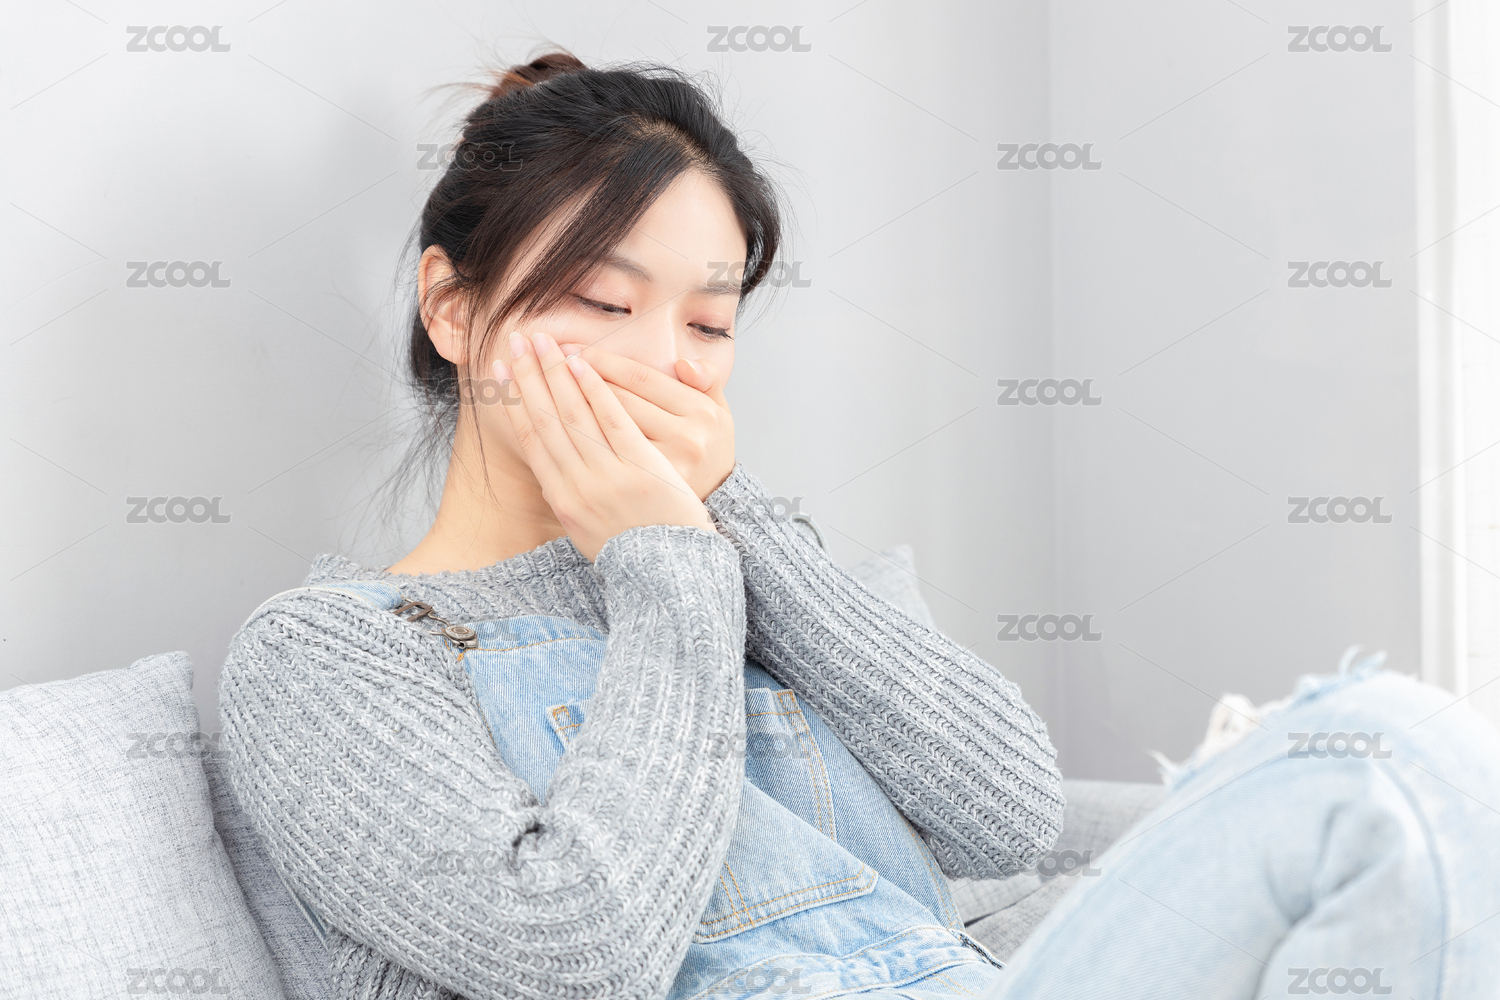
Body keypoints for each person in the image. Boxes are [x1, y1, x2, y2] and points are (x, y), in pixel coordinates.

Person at [218, 53, 1500, 1000]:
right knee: (1382, 757)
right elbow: (579, 955)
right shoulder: (331, 652)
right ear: (452, 310)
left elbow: (1006, 812)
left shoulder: (737, 564)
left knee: (1385, 764)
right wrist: (668, 569)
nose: (661, 363)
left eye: (708, 324)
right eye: (604, 304)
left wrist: (724, 518)